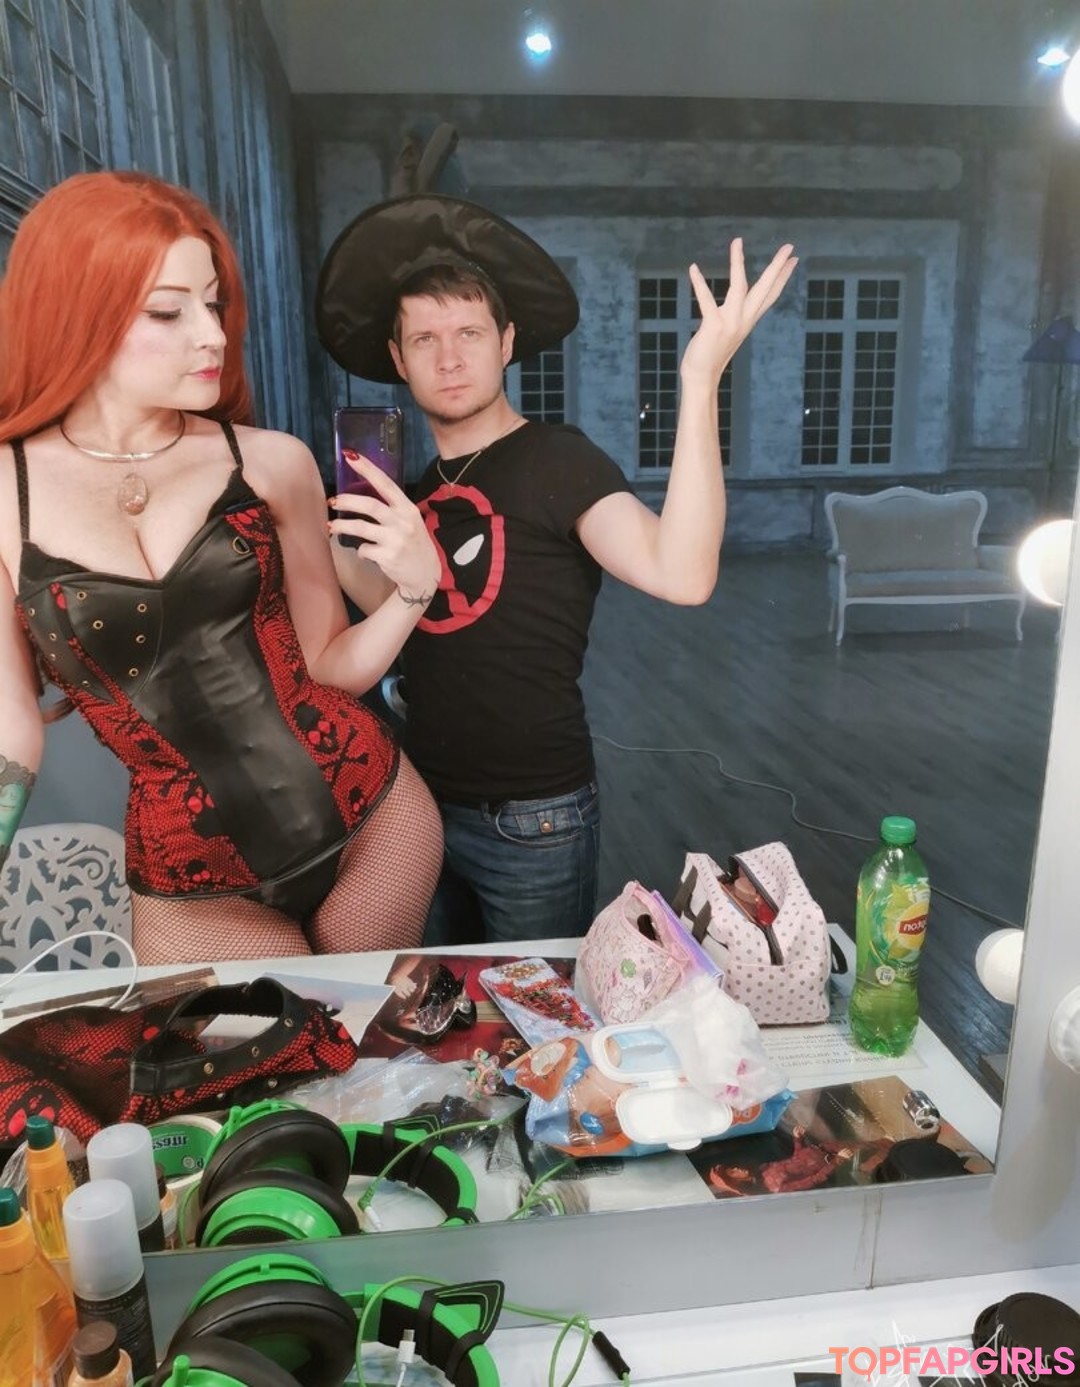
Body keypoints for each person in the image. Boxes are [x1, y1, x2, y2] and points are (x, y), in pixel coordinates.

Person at [317, 194, 797, 946]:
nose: (449, 358)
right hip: (418, 810)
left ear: (507, 341)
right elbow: (403, 613)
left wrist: (702, 378)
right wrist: (318, 526)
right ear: (398, 358)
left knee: (538, 1009)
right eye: (425, 339)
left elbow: (683, 574)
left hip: (535, 823)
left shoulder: (558, 462)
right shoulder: (415, 492)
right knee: (437, 1006)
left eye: (470, 333)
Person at [0, 170, 445, 965]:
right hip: (194, 885)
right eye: (169, 311)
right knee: (276, 1051)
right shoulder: (9, 495)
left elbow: (329, 667)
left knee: (364, 1036)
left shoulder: (270, 461)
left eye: (214, 304)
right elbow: (11, 731)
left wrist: (415, 588)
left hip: (374, 820)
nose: (212, 334)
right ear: (78, 313)